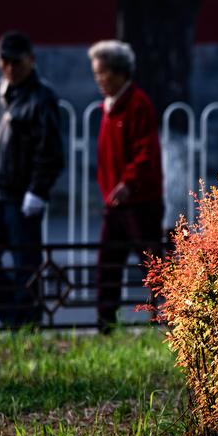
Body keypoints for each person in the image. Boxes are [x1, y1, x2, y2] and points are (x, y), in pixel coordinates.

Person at [0, 31, 64, 327]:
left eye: (16, 61)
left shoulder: (43, 96)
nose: (10, 68)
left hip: (22, 198)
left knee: (27, 268)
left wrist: (37, 191)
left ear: (31, 60)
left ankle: (29, 329)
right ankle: (17, 321)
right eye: (4, 61)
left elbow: (50, 153)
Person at [88, 40, 164, 333]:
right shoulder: (109, 107)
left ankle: (168, 321)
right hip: (116, 203)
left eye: (102, 73)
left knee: (152, 265)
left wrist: (128, 182)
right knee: (107, 264)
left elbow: (146, 153)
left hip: (139, 201)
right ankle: (104, 324)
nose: (98, 80)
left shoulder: (137, 104)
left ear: (119, 73)